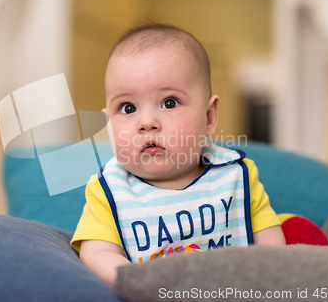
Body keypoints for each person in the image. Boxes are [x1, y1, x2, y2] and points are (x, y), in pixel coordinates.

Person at [70, 24, 286, 284]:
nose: (146, 122)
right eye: (128, 108)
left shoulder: (236, 176)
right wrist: (139, 282)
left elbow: (271, 244)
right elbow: (98, 253)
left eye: (169, 103)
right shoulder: (109, 191)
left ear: (209, 116)